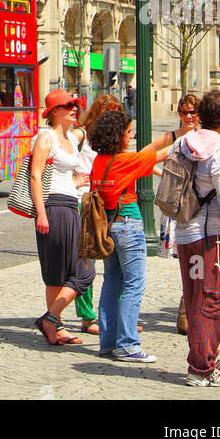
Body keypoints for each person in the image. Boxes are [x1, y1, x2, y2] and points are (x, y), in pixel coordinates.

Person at [87, 109, 173, 363]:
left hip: (108, 226)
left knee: (112, 283)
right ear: (117, 136)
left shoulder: (100, 160)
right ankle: (128, 345)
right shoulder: (124, 161)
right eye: (127, 132)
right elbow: (160, 155)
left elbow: (147, 152)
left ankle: (108, 343)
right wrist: (187, 139)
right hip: (128, 224)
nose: (130, 135)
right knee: (134, 285)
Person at [172, 90, 220, 387]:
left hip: (186, 232)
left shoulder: (183, 142)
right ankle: (201, 368)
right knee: (212, 300)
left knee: (194, 296)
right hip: (211, 237)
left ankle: (207, 356)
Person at [30, 90, 94, 347]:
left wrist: (75, 181)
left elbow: (65, 171)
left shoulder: (69, 137)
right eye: (67, 106)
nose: (73, 109)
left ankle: (51, 319)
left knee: (80, 270)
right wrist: (41, 213)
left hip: (71, 205)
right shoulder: (46, 138)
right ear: (53, 111)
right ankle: (54, 325)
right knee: (58, 272)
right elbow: (36, 176)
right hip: (53, 206)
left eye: (75, 105)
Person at [73, 94, 121, 334]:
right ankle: (87, 316)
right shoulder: (82, 133)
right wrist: (74, 179)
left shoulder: (113, 138)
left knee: (117, 260)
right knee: (87, 258)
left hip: (109, 201)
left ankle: (118, 316)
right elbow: (56, 153)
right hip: (87, 202)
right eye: (108, 113)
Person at [157, 95, 201, 333]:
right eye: (185, 112)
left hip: (199, 207)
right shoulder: (171, 137)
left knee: (198, 259)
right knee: (186, 260)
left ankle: (188, 309)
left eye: (193, 112)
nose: (190, 117)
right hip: (177, 207)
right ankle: (186, 311)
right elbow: (146, 156)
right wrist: (159, 173)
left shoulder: (205, 136)